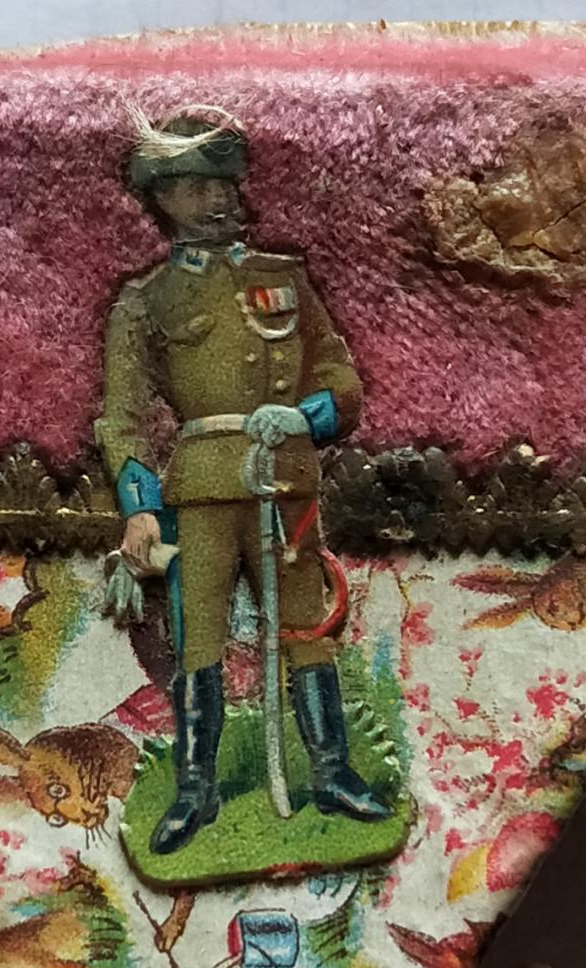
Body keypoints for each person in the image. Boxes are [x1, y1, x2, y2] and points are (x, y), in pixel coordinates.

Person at [95, 113, 389, 855]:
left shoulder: (282, 279)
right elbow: (124, 417)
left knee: (306, 628)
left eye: (223, 183)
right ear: (162, 200)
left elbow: (340, 378)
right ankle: (195, 790)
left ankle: (332, 772)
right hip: (201, 493)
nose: (217, 200)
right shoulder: (147, 302)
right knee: (198, 638)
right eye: (196, 187)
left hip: (285, 483)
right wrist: (139, 512)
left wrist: (304, 416)